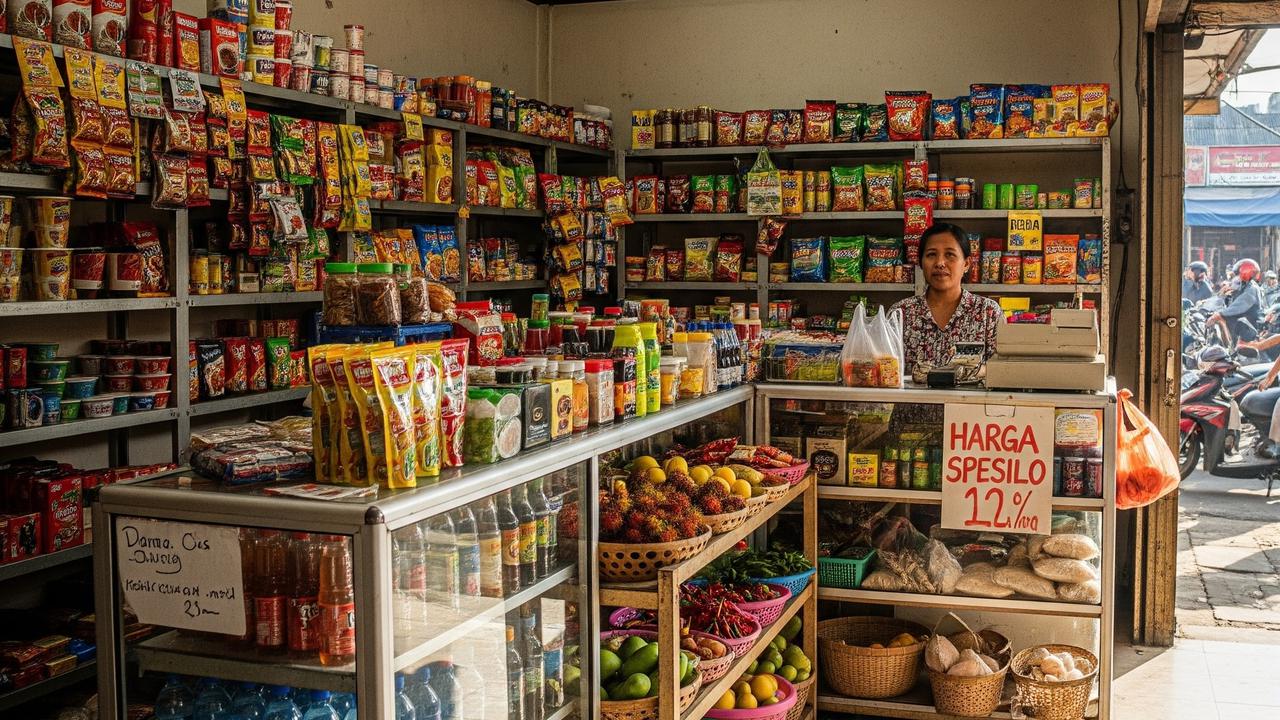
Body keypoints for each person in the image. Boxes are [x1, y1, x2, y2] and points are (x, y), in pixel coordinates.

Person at [890, 223, 1003, 377]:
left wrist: (976, 372)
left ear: (967, 264)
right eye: (931, 255)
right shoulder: (900, 313)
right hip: (914, 401)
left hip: (969, 401)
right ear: (920, 263)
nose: (940, 263)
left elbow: (1003, 369)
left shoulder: (988, 312)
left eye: (950, 254)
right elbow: (884, 370)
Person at [1208, 258, 1264, 343]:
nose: (1236, 277)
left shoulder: (1252, 288)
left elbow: (1238, 306)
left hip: (1250, 326)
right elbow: (1228, 299)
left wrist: (1220, 313)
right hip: (1244, 322)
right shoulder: (1244, 286)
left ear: (1245, 272)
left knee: (1225, 320)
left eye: (1237, 274)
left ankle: (1231, 348)